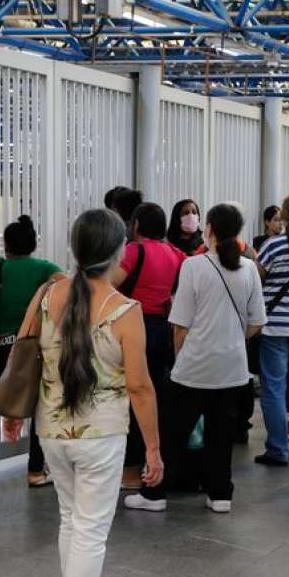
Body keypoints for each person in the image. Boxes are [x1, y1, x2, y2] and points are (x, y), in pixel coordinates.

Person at [28, 208, 163, 577]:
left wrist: (16, 412)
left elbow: (27, 355)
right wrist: (154, 450)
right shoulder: (124, 309)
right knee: (90, 530)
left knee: (72, 522)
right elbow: (140, 386)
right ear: (118, 250)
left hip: (51, 430)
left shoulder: (48, 294)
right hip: (101, 435)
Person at [125, 203, 265, 513]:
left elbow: (180, 325)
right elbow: (256, 322)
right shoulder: (249, 268)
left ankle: (155, 494)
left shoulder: (194, 266)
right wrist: (231, 339)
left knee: (172, 432)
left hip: (194, 366)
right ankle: (220, 495)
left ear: (210, 228)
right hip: (232, 367)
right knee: (221, 434)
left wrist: (181, 359)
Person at [0, 215, 65, 487]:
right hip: (32, 350)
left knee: (5, 394)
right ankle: (35, 471)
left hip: (0, 350)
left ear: (6, 244)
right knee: (39, 405)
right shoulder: (45, 268)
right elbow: (67, 287)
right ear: (33, 244)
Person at [109, 203, 185, 490]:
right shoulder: (176, 253)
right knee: (154, 395)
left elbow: (110, 285)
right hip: (163, 329)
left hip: (134, 326)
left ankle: (129, 468)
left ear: (136, 224)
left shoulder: (133, 251)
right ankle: (152, 459)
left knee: (131, 395)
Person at [253, 194, 289, 467]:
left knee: (274, 389)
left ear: (284, 216)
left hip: (274, 325)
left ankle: (277, 448)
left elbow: (256, 280)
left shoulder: (272, 245)